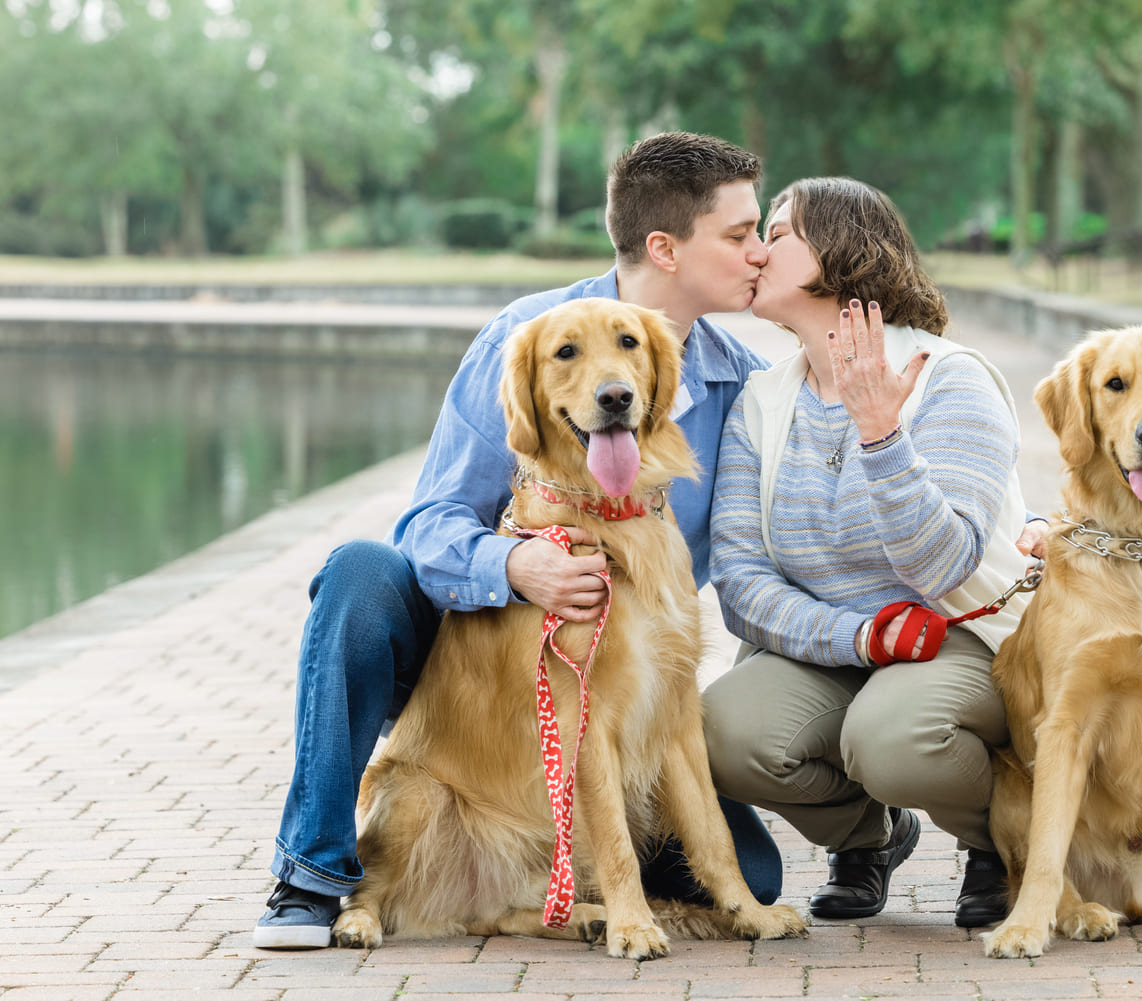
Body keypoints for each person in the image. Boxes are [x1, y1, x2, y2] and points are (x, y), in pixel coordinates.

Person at [254, 132, 784, 950]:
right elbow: (430, 524)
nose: (761, 252)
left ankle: (539, 889)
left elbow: (762, 554)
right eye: (742, 234)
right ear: (664, 247)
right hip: (477, 646)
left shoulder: (736, 379)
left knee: (760, 875)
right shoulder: (527, 335)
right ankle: (314, 873)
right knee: (359, 572)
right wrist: (517, 564)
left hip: (633, 665)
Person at [702, 176, 1042, 928]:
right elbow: (739, 579)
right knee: (723, 729)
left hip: (961, 634)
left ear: (841, 248)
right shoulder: (762, 402)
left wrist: (883, 436)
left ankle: (1005, 839)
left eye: (780, 231)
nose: (757, 250)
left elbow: (942, 563)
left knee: (892, 740)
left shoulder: (951, 380)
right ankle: (869, 839)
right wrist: (854, 636)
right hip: (839, 645)